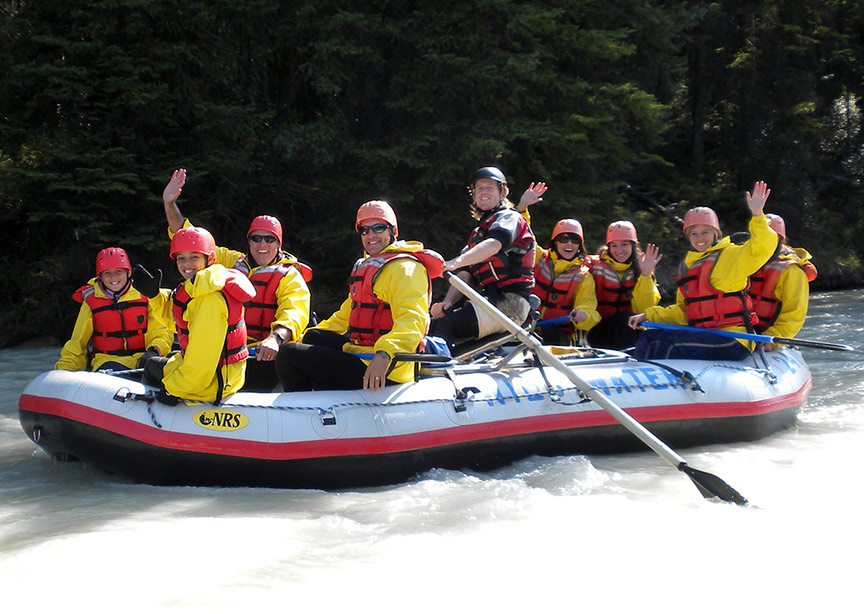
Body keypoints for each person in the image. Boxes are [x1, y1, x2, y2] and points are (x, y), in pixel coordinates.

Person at [162, 169, 311, 391]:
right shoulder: (233, 261)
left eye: (269, 239)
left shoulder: (289, 275)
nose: (262, 244)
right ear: (249, 240)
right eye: (256, 238)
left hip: (262, 354)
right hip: (225, 350)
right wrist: (169, 204)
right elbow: (190, 239)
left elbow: (295, 312)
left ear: (278, 243)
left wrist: (275, 338)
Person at [275, 200, 443, 392]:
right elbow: (343, 316)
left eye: (378, 228)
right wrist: (298, 338)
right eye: (364, 230)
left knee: (289, 356)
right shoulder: (369, 266)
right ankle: (325, 397)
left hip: (390, 368)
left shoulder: (406, 268)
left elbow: (413, 321)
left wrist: (385, 354)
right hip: (364, 354)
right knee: (314, 336)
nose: (370, 235)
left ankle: (305, 413)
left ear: (392, 231)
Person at [628, 181, 777, 360]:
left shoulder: (732, 256)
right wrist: (649, 315)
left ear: (716, 234)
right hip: (704, 335)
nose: (700, 238)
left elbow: (764, 246)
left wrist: (758, 214)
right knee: (648, 336)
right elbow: (684, 311)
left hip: (734, 338)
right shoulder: (687, 266)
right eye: (694, 233)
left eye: (705, 232)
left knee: (667, 344)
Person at [429, 167, 543, 349]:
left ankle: (435, 371)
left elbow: (495, 244)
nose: (483, 192)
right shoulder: (478, 234)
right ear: (474, 196)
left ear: (502, 193)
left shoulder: (509, 218)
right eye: (479, 188)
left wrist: (455, 262)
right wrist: (447, 302)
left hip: (511, 303)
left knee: (447, 326)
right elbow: (465, 275)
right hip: (489, 303)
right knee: (433, 325)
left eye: (489, 187)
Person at [142, 226, 256, 405]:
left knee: (150, 367)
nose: (186, 264)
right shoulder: (200, 286)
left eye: (194, 257)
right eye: (181, 258)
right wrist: (155, 297)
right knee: (158, 361)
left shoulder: (210, 298)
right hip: (216, 375)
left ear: (208, 258)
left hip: (213, 383)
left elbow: (202, 363)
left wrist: (172, 390)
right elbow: (180, 325)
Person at [56, 247, 172, 373]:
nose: (113, 278)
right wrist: (65, 369)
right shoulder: (91, 300)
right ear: (100, 276)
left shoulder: (146, 294)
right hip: (106, 362)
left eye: (118, 272)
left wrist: (154, 351)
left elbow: (160, 331)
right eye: (107, 273)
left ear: (128, 273)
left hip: (143, 361)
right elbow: (77, 343)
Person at [586, 221, 662, 349]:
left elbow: (644, 308)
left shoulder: (641, 267)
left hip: (629, 329)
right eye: (614, 245)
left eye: (624, 244)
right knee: (624, 318)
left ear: (633, 245)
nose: (619, 250)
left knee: (627, 319)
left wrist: (645, 275)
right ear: (608, 247)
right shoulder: (593, 265)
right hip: (599, 331)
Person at [749, 213, 817, 346]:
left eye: (770, 238)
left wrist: (774, 338)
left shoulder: (792, 271)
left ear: (781, 241)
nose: (764, 242)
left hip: (768, 334)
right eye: (760, 236)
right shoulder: (744, 260)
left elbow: (794, 314)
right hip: (739, 330)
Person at [530, 218, 601, 346]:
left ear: (580, 245)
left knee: (549, 332)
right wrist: (523, 208)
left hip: (557, 333)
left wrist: (584, 315)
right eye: (564, 239)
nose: (569, 244)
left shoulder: (583, 276)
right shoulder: (539, 256)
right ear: (555, 242)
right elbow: (525, 236)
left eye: (575, 240)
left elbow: (588, 307)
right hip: (527, 326)